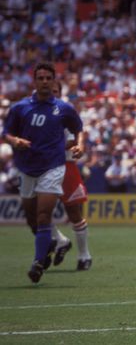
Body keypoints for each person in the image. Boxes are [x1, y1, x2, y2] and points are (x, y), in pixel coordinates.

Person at [2, 62, 85, 283]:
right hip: (27, 167)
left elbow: (79, 128)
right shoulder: (21, 107)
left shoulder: (63, 108)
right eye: (41, 78)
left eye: (49, 78)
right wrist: (14, 140)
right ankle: (52, 243)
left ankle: (38, 263)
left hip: (53, 167)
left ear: (54, 80)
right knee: (31, 219)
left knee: (43, 215)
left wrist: (81, 145)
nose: (45, 82)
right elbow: (6, 132)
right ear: (35, 81)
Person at [21, 79, 93, 271]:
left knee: (74, 213)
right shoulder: (34, 113)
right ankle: (60, 241)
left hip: (66, 165)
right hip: (44, 167)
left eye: (55, 90)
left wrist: (46, 146)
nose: (50, 92)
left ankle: (84, 255)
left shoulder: (64, 112)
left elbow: (72, 140)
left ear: (59, 93)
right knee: (38, 211)